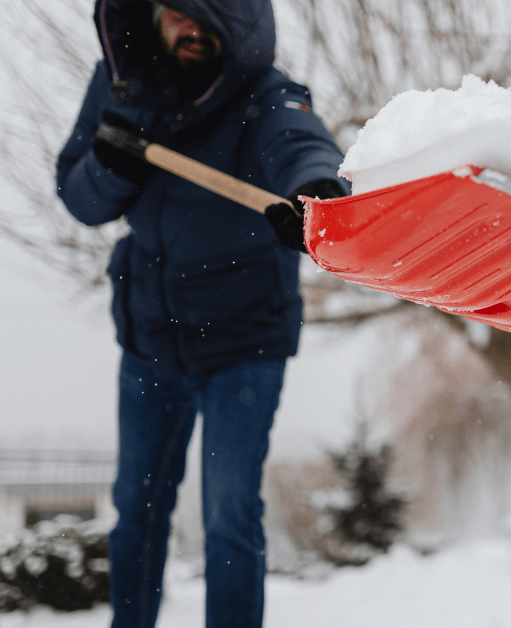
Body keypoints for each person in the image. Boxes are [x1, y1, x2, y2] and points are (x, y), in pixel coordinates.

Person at [56, 1, 347, 626]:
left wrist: (316, 192)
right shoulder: (121, 83)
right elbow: (78, 196)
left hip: (242, 342)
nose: (186, 27)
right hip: (150, 336)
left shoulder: (265, 94)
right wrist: (112, 163)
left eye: (201, 13)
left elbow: (302, 143)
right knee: (137, 511)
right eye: (172, 10)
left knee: (229, 516)